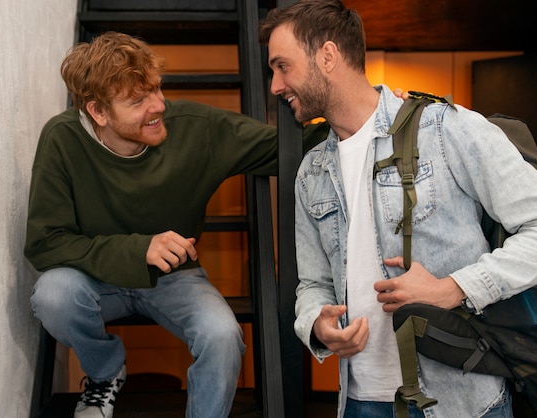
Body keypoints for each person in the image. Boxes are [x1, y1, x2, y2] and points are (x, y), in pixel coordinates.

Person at [258, 1, 537, 417]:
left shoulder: (445, 128)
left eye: (281, 66)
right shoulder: (312, 171)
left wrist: (454, 288)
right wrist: (317, 328)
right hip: (359, 402)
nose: (274, 85)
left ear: (327, 56)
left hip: (460, 403)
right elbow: (313, 285)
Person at [23, 31, 331, 418]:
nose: (159, 105)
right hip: (92, 279)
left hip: (177, 277)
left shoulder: (196, 128)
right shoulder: (62, 138)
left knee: (222, 336)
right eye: (138, 100)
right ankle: (104, 374)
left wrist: (363, 113)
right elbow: (44, 244)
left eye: (156, 89)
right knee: (52, 294)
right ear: (98, 112)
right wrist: (140, 249)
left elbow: (287, 149)